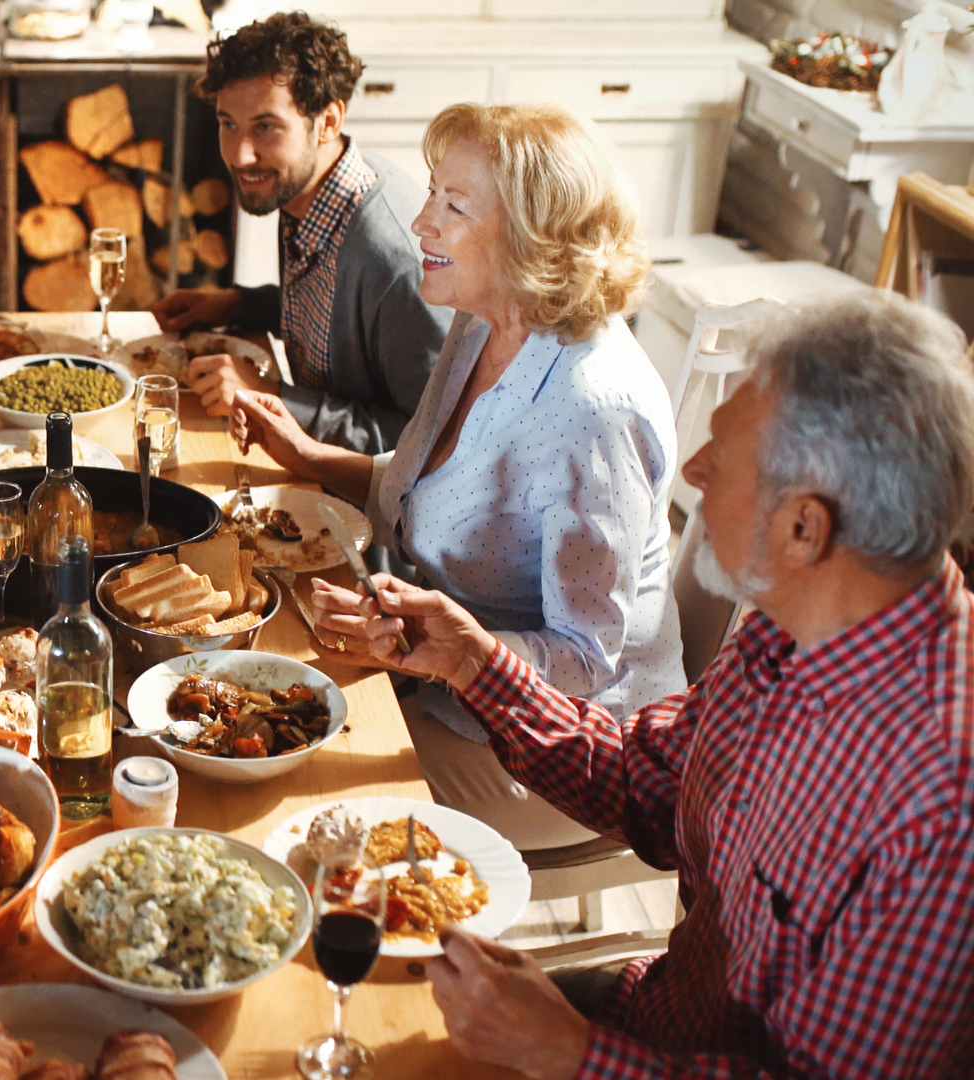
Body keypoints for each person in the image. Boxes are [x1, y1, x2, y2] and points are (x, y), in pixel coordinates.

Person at [338, 292, 974, 1079]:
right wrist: (476, 663)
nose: (693, 471)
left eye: (724, 459)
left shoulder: (940, 803)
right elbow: (647, 781)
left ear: (805, 527)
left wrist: (571, 1054)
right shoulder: (796, 627)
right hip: (651, 1017)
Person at [236, 103, 684, 850]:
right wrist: (309, 459)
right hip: (447, 680)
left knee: (290, 781)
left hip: (563, 751)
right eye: (431, 194)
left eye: (453, 204)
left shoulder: (591, 409)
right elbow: (433, 487)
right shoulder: (483, 323)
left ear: (534, 233)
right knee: (255, 698)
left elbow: (583, 658)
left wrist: (438, 650)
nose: (420, 222)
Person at [150, 12, 448, 455]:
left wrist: (273, 396)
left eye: (265, 127)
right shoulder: (303, 188)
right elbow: (331, 317)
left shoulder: (395, 261)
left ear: (327, 121)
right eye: (227, 123)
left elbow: (431, 441)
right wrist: (241, 303)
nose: (240, 154)